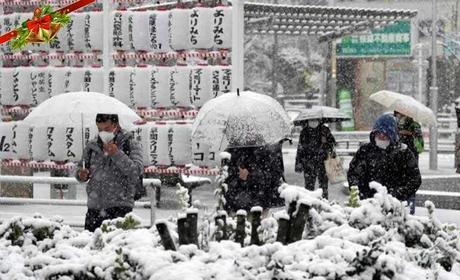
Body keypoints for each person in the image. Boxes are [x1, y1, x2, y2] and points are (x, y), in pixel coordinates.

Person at [76, 114, 144, 232]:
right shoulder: (92, 146)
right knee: (91, 246)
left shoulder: (130, 143)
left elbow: (136, 171)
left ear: (116, 126)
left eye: (106, 129)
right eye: (99, 129)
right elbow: (80, 168)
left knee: (116, 245)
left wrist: (116, 153)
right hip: (94, 207)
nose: (102, 133)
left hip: (120, 206)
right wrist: (80, 174)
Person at [347, 113, 421, 206]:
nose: (381, 137)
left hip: (394, 206)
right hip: (367, 204)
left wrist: (395, 195)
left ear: (392, 135)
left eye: (385, 134)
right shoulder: (365, 151)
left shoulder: (403, 153)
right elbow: (353, 173)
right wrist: (361, 193)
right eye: (378, 133)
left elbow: (415, 179)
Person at [223, 144, 284, 213]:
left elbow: (274, 174)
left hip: (258, 202)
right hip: (236, 202)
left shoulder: (267, 148)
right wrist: (237, 173)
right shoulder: (232, 148)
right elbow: (225, 171)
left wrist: (250, 174)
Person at [295, 120, 336, 199]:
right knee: (309, 187)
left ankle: (324, 203)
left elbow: (332, 143)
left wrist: (326, 143)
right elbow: (300, 149)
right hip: (308, 163)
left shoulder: (324, 130)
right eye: (311, 121)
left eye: (315, 120)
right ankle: (309, 204)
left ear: (319, 121)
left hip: (323, 162)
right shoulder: (304, 132)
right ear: (307, 122)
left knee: (324, 186)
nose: (313, 123)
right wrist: (298, 162)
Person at [394, 110, 424, 214]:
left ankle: (410, 212)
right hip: (395, 163)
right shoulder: (394, 124)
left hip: (411, 162)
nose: (400, 116)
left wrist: (411, 135)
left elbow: (420, 147)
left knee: (410, 186)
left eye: (402, 113)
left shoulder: (415, 126)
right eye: (398, 113)